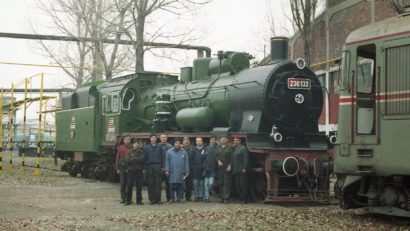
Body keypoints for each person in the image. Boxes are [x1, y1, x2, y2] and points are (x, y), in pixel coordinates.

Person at [144, 135, 163, 205]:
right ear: (150, 139)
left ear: (156, 139)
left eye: (155, 138)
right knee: (150, 183)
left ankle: (158, 199)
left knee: (158, 183)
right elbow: (144, 158)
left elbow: (162, 156)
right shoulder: (146, 147)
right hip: (149, 166)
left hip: (158, 165)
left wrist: (162, 166)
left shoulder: (160, 147)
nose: (154, 139)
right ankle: (151, 199)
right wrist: (145, 168)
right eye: (152, 138)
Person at [215, 136, 233, 203]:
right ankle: (222, 198)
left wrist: (230, 165)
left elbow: (232, 157)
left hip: (227, 167)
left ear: (227, 140)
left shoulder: (230, 148)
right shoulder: (218, 147)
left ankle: (226, 198)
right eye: (222, 139)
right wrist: (218, 160)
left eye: (224, 139)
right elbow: (216, 155)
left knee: (227, 183)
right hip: (220, 168)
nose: (223, 140)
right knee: (221, 183)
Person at [232, 136, 249, 204]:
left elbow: (246, 159)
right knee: (237, 185)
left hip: (242, 170)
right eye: (234, 140)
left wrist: (245, 168)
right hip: (236, 170)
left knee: (243, 185)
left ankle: (244, 199)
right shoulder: (235, 148)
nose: (235, 141)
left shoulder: (243, 148)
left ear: (240, 141)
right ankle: (240, 198)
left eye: (237, 140)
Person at [115, 135, 132, 203]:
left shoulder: (132, 147)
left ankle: (129, 198)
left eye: (128, 139)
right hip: (122, 167)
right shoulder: (121, 147)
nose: (127, 140)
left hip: (130, 167)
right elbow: (118, 157)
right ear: (124, 140)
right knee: (122, 183)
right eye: (126, 139)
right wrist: (117, 168)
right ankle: (123, 198)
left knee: (129, 184)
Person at [203, 135, 217, 203]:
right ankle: (207, 197)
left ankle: (208, 192)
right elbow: (202, 158)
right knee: (206, 184)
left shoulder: (217, 148)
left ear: (215, 140)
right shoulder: (205, 148)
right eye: (212, 140)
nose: (213, 141)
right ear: (210, 140)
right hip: (206, 168)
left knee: (211, 184)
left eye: (214, 140)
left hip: (213, 168)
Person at [192, 137, 207, 202]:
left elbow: (207, 159)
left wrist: (204, 167)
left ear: (202, 141)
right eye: (197, 141)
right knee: (195, 183)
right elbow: (191, 159)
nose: (199, 142)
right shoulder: (193, 149)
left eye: (200, 141)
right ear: (196, 142)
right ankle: (196, 196)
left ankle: (200, 196)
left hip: (202, 169)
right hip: (195, 169)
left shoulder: (205, 149)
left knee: (201, 183)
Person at [159, 133, 173, 202]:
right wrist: (161, 166)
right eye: (162, 137)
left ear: (166, 138)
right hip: (159, 168)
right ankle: (158, 199)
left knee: (169, 184)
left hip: (168, 168)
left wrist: (168, 167)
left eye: (165, 137)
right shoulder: (158, 146)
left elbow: (171, 158)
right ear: (160, 138)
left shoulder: (170, 146)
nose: (163, 138)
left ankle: (169, 198)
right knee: (158, 184)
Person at [182, 137, 194, 201]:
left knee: (189, 184)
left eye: (188, 141)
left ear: (189, 142)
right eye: (185, 141)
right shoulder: (180, 150)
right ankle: (181, 197)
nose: (186, 142)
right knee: (182, 185)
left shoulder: (192, 150)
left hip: (190, 169)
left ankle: (188, 197)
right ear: (183, 142)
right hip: (182, 170)